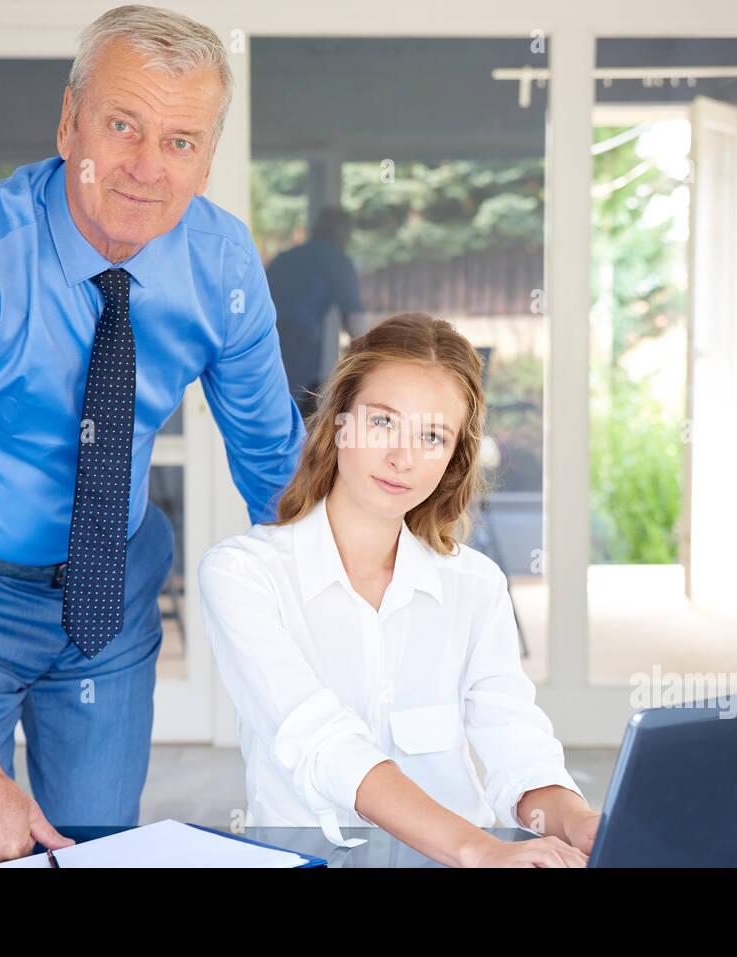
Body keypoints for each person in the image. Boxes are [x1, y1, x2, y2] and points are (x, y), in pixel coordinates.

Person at [0, 5, 304, 866]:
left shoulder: (221, 263)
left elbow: (276, 469)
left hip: (110, 593)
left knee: (97, 851)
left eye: (181, 142)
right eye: (122, 125)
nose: (147, 167)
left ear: (207, 159)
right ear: (69, 123)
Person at [198, 313, 599, 867]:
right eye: (382, 423)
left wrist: (577, 822)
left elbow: (516, 745)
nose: (403, 458)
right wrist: (481, 851)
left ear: (454, 458)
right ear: (339, 422)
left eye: (432, 436)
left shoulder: (475, 585)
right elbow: (324, 744)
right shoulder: (244, 575)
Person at [266, 206, 365, 419]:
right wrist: (368, 357)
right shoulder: (337, 262)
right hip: (298, 349)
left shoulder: (285, 259)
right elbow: (355, 321)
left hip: (262, 342)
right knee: (297, 418)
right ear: (342, 233)